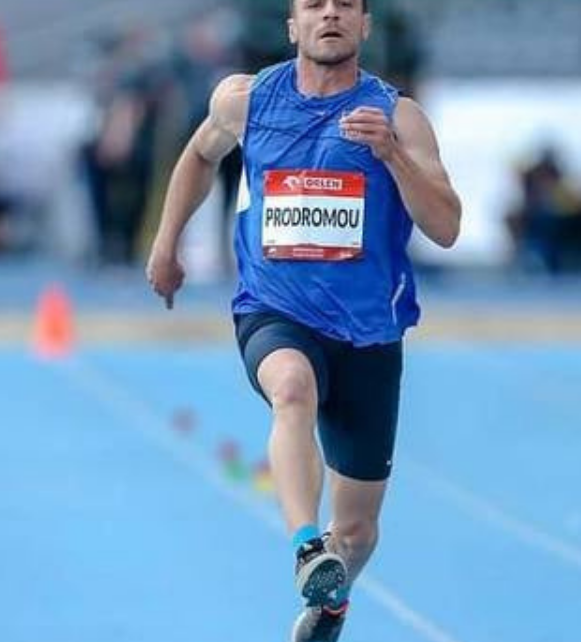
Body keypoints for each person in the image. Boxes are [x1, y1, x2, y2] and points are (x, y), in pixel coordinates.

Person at [144, 1, 461, 640]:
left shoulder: (398, 117)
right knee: (291, 388)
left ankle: (332, 600)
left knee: (360, 532)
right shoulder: (245, 100)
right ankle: (306, 548)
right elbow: (200, 155)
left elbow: (447, 227)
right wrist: (166, 242)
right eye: (315, 4)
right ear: (293, 26)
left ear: (364, 25)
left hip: (368, 332)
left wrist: (392, 155)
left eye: (345, 5)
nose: (330, 14)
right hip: (275, 309)